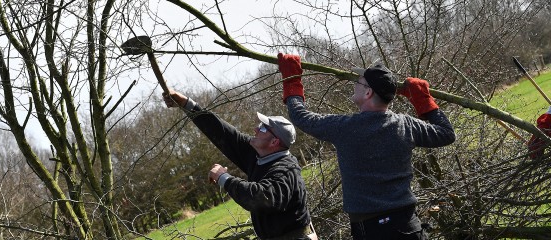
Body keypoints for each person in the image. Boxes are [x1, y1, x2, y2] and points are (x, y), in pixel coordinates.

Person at [277, 53, 456, 240]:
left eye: (359, 82)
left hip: (371, 230)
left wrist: (292, 78)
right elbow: (446, 133)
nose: (354, 84)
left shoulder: (344, 127)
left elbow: (300, 116)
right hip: (409, 226)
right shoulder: (406, 125)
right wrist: (423, 100)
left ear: (368, 92)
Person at [163, 89, 316, 240]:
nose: (256, 129)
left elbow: (260, 198)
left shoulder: (286, 171)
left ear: (274, 142)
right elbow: (221, 131)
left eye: (263, 128)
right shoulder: (258, 154)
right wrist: (186, 103)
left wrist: (224, 178)